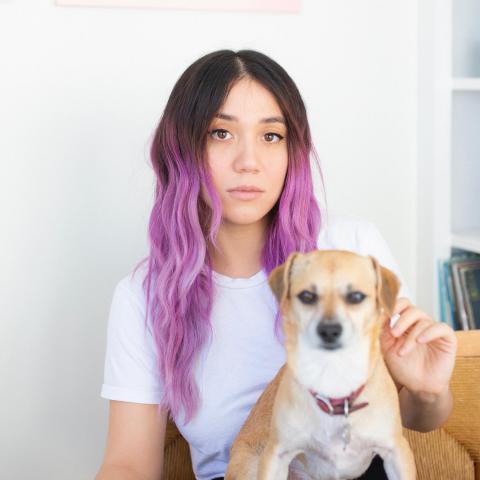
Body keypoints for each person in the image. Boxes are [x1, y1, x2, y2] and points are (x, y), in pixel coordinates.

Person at [95, 49, 458, 480]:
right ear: (182, 150)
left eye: (271, 136)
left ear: (292, 152)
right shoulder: (144, 295)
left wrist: (428, 390)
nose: (249, 162)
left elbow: (418, 418)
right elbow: (129, 465)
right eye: (220, 133)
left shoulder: (350, 249)